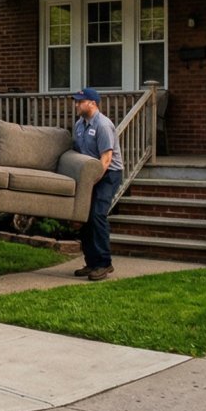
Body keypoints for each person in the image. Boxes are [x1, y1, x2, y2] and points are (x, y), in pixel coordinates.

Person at [70, 86, 121, 281]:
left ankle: (104, 263)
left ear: (92, 103)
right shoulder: (79, 124)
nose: (77, 104)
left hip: (108, 175)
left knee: (98, 215)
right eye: (77, 101)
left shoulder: (103, 125)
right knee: (85, 216)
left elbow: (106, 160)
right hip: (89, 176)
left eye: (80, 101)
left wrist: (91, 182)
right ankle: (91, 262)